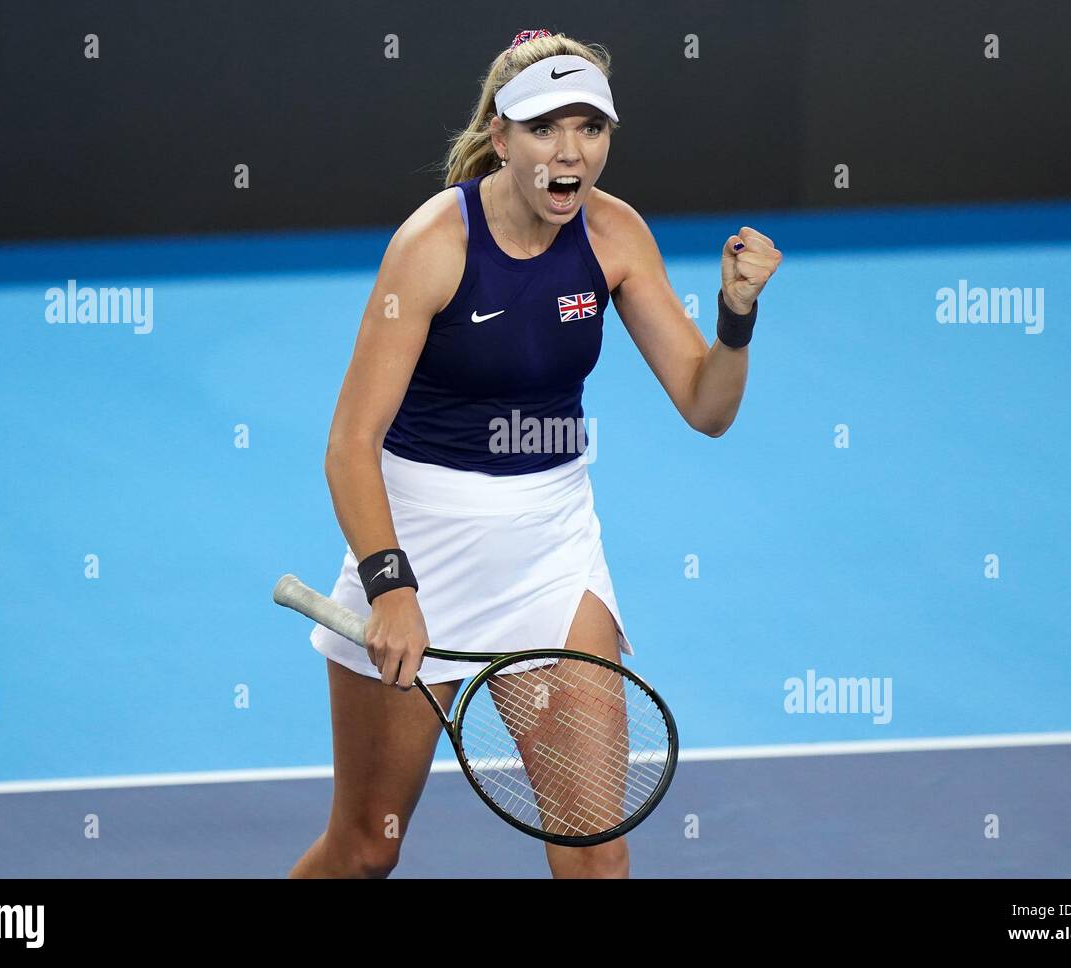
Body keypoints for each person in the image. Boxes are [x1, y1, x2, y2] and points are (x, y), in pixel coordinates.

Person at [290, 28, 781, 879]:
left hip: (552, 552)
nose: (571, 152)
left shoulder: (615, 236)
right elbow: (349, 445)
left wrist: (735, 317)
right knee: (366, 850)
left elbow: (707, 407)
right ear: (499, 135)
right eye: (546, 128)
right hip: (420, 547)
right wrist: (391, 584)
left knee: (597, 857)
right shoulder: (433, 245)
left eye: (590, 129)